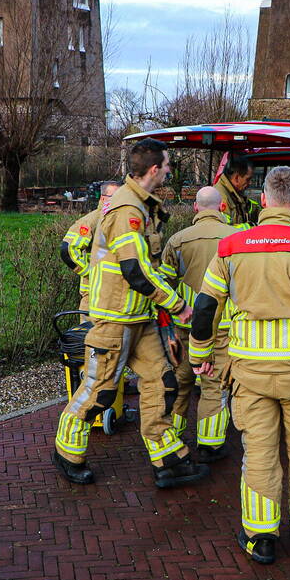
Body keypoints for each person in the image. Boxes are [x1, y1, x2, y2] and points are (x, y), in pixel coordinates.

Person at [189, 166, 290, 565]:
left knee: (259, 454)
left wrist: (200, 356)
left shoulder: (231, 247)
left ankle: (261, 537)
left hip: (250, 375)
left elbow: (205, 308)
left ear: (264, 200)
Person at [53, 138, 210, 489]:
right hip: (116, 320)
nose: (170, 170)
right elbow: (135, 270)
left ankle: (167, 460)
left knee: (162, 383)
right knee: (100, 391)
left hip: (140, 319)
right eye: (168, 165)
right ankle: (67, 452)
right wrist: (179, 305)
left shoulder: (141, 206)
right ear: (154, 169)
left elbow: (146, 268)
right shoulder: (127, 211)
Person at [160, 186, 239, 463]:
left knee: (181, 382)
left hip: (187, 326)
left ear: (195, 207)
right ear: (222, 208)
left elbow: (164, 284)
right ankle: (211, 444)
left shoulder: (177, 240)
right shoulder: (238, 239)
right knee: (214, 384)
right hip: (224, 328)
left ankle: (174, 437)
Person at [61, 181, 120, 312]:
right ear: (103, 198)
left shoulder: (121, 219)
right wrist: (89, 273)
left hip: (116, 297)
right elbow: (67, 249)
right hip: (93, 296)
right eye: (114, 197)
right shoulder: (92, 221)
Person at [215, 155, 259, 229]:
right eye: (247, 179)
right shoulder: (220, 197)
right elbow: (225, 229)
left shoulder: (235, 193)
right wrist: (253, 227)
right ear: (236, 178)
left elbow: (249, 207)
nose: (250, 183)